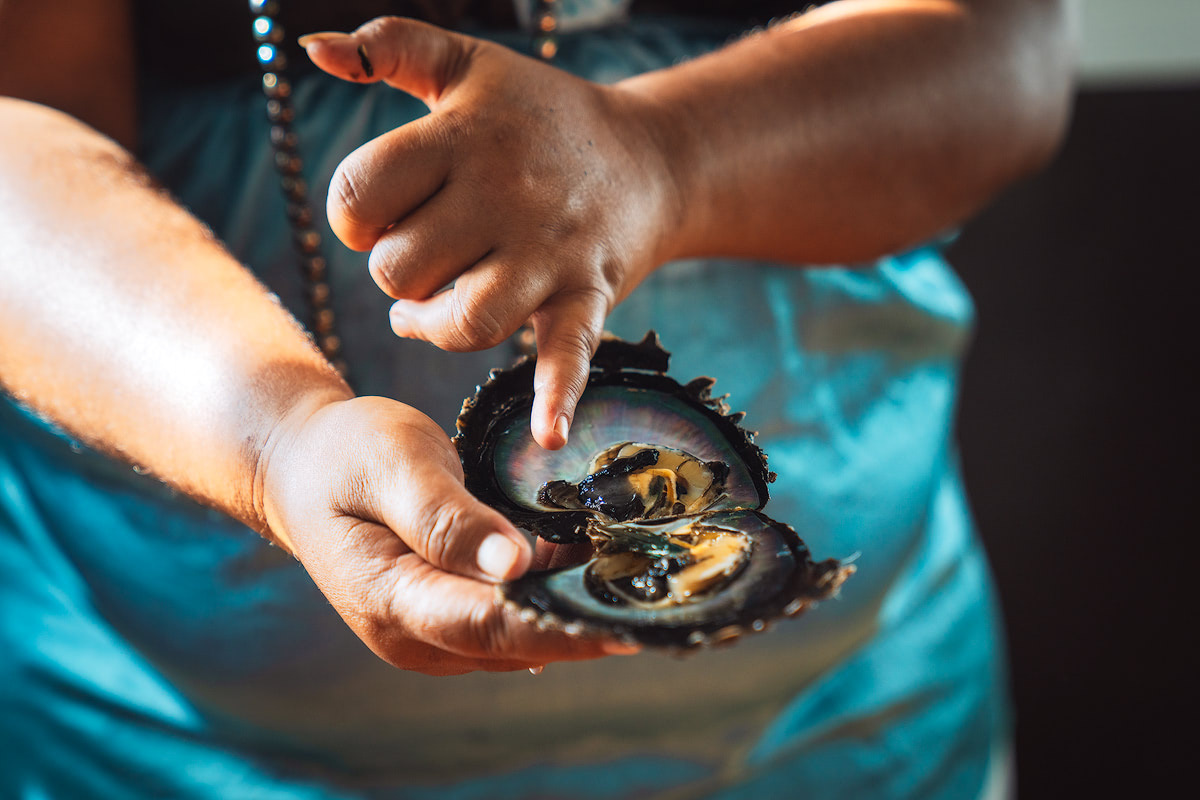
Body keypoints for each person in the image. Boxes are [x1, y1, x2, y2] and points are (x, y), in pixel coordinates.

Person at [0, 0, 1072, 796]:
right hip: (164, 750)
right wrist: (277, 439)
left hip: (861, 736)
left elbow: (1003, 53)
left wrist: (667, 152)